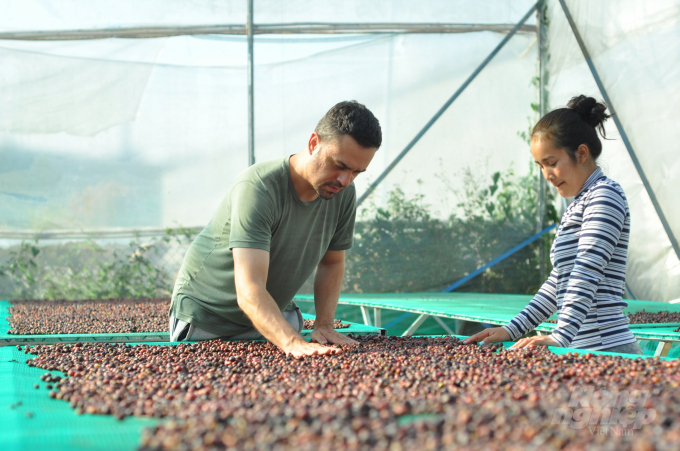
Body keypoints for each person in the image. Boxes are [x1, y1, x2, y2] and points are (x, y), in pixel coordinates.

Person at [169, 100, 382, 358]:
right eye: (339, 165)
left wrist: (324, 324)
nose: (345, 180)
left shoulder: (343, 194)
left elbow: (332, 263)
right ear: (313, 143)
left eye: (357, 172)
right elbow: (249, 289)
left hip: (272, 317)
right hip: (208, 320)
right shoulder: (259, 187)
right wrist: (292, 343)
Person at [464, 95, 642, 354]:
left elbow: (587, 269)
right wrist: (513, 329)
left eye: (552, 163)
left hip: (608, 349)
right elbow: (560, 280)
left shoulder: (605, 195)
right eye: (540, 166)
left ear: (581, 153)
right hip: (580, 349)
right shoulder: (578, 205)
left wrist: (561, 334)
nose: (546, 175)